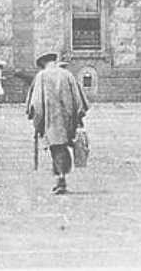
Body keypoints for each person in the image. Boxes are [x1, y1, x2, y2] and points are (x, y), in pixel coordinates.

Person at [25, 51, 89, 195]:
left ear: (42, 64)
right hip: (69, 119)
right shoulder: (68, 75)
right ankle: (61, 178)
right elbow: (80, 100)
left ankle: (61, 179)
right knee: (62, 147)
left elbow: (36, 104)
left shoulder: (41, 76)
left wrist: (37, 122)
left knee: (57, 148)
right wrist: (78, 117)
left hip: (52, 120)